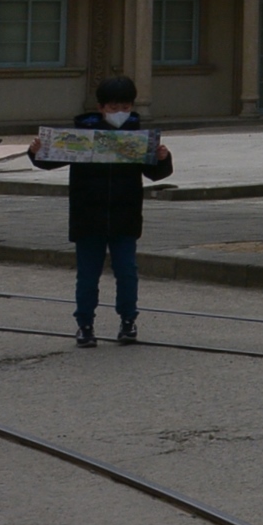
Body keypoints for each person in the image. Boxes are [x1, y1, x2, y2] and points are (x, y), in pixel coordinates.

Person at [33, 76, 172, 348]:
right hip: (88, 217)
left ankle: (128, 320)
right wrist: (36, 152)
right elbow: (50, 161)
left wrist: (163, 159)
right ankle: (85, 324)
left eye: (125, 107)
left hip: (125, 216)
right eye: (113, 107)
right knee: (87, 275)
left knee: (127, 272)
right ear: (101, 108)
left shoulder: (138, 137)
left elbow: (155, 173)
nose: (120, 112)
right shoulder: (82, 134)